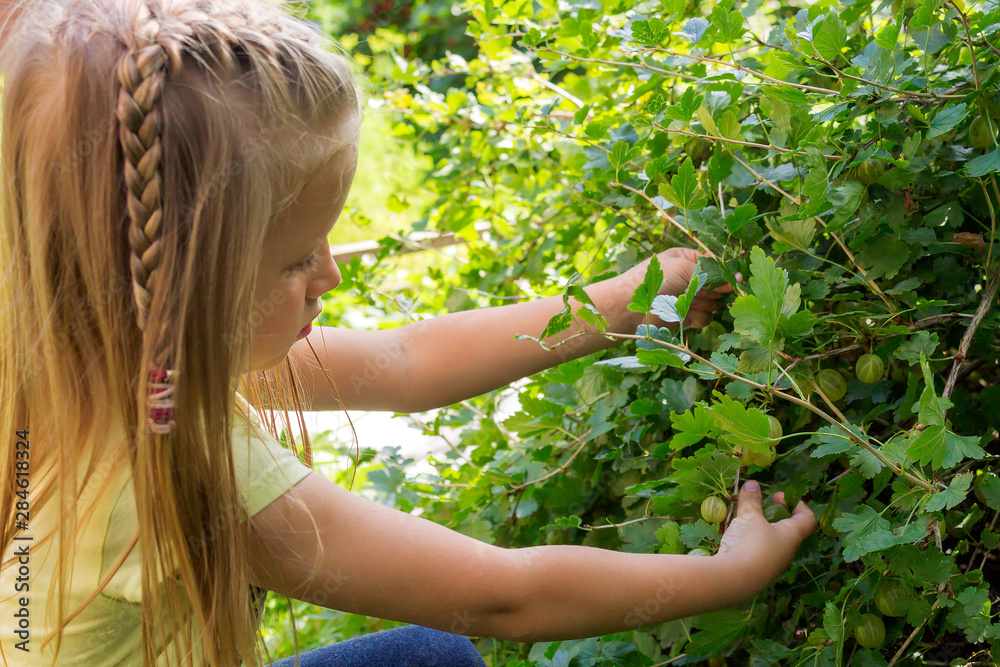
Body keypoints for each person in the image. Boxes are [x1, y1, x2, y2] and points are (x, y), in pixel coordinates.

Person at [0, 0, 818, 665]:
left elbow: (407, 360)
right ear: (178, 288)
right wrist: (730, 575)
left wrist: (625, 300)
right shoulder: (183, 460)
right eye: (292, 263)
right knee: (436, 654)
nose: (331, 275)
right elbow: (505, 596)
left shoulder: (80, 338)